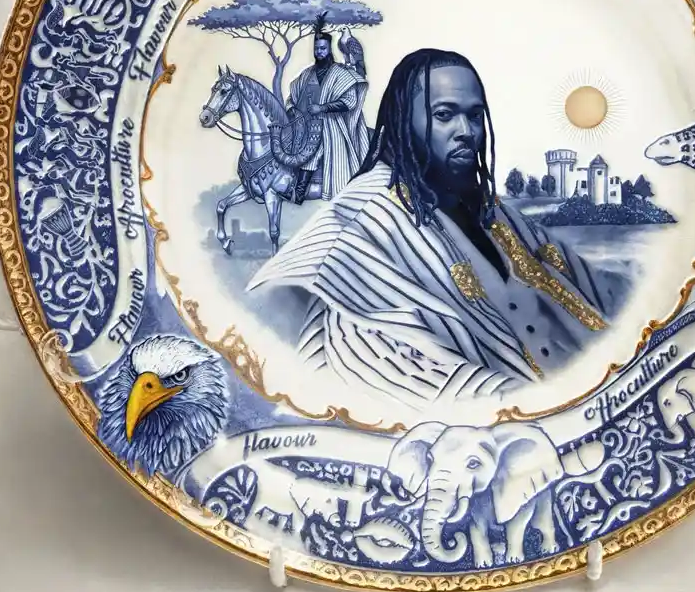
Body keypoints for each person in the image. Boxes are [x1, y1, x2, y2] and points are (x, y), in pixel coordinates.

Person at [248, 48, 609, 408]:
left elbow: (601, 290)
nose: (466, 132)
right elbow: (390, 367)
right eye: (444, 115)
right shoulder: (361, 223)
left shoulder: (488, 208)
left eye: (475, 115)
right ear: (404, 121)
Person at [285, 12, 370, 203]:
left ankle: (299, 194)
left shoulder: (341, 72)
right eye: (316, 49)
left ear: (330, 49)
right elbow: (292, 97)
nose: (319, 52)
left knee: (314, 149)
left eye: (323, 48)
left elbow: (349, 102)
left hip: (331, 126)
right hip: (306, 125)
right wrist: (291, 108)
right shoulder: (307, 74)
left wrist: (322, 108)